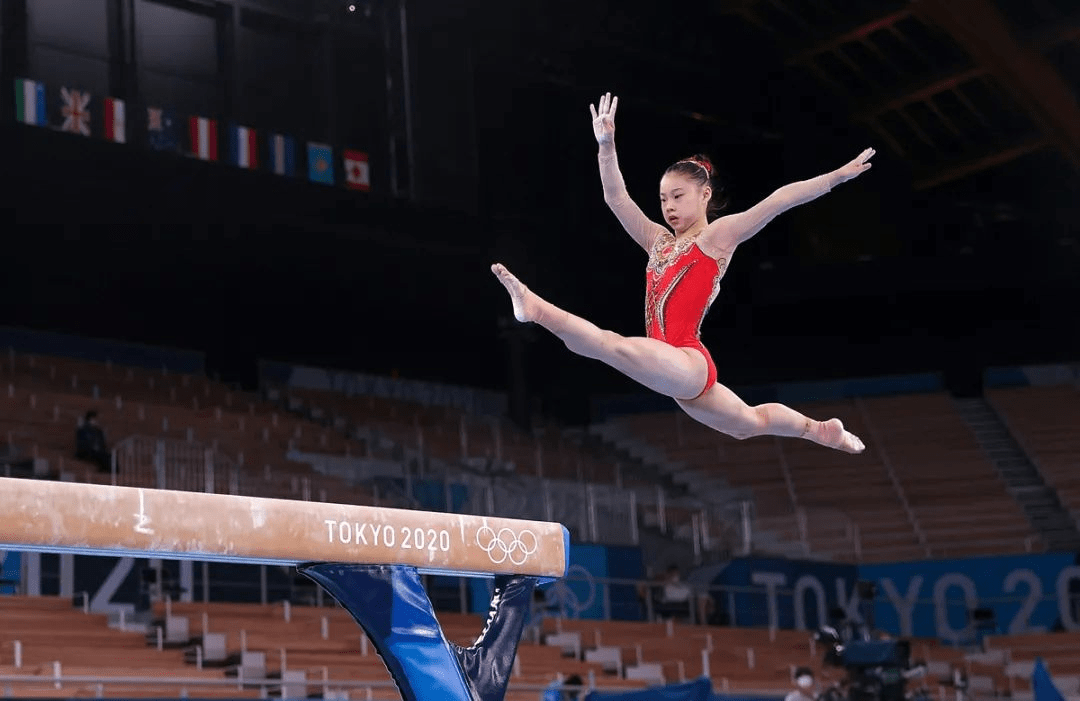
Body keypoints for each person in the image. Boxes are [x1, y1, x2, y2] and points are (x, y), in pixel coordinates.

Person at [491, 92, 871, 452]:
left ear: (705, 195)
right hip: (672, 370)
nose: (668, 207)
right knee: (747, 425)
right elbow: (616, 198)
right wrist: (606, 146)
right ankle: (822, 432)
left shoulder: (717, 238)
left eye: (678, 196)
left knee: (612, 346)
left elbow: (778, 201)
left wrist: (836, 177)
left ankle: (535, 308)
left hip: (687, 361)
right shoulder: (657, 240)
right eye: (662, 199)